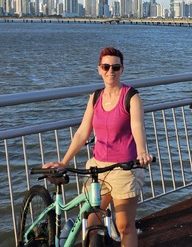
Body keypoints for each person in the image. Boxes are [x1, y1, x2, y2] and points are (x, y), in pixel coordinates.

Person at [43, 47, 153, 247]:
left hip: (124, 168)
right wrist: (64, 161)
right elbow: (82, 133)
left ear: (122, 69)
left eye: (115, 67)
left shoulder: (131, 97)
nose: (111, 71)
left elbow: (138, 127)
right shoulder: (95, 97)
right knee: (91, 222)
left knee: (125, 226)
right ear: (99, 69)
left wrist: (142, 152)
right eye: (106, 66)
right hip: (97, 168)